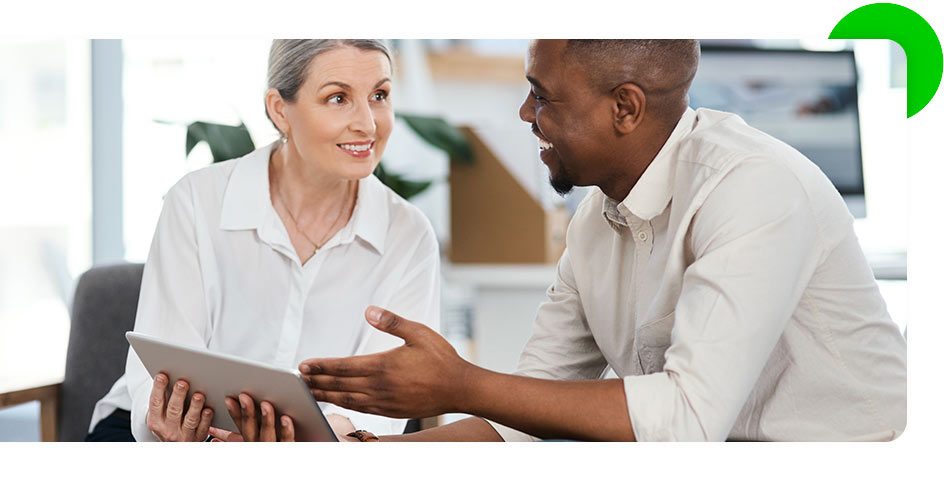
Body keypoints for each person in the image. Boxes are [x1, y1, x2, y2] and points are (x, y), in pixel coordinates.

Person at [299, 39, 907, 442]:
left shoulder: (755, 188)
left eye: (543, 95)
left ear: (625, 108)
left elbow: (685, 421)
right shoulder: (596, 220)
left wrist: (460, 383)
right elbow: (519, 421)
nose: (523, 113)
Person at [86, 39, 441, 442]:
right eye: (338, 98)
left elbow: (379, 401)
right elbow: (164, 369)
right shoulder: (197, 202)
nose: (368, 123)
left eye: (379, 95)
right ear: (279, 110)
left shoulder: (409, 235)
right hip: (170, 436)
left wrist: (315, 443)